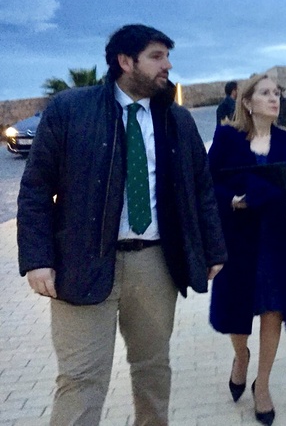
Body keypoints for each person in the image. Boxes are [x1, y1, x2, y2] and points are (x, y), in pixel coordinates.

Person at [17, 24, 227, 426]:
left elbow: (201, 190)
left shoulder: (177, 122)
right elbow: (36, 190)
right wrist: (37, 258)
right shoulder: (70, 111)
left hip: (155, 265)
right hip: (81, 263)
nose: (167, 65)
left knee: (152, 370)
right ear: (125, 62)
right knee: (80, 379)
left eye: (167, 55)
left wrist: (214, 249)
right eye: (157, 56)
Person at [208, 74, 286, 426]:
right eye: (265, 93)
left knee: (273, 310)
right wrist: (230, 199)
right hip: (238, 240)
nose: (274, 98)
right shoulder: (226, 137)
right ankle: (241, 356)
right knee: (238, 311)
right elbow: (209, 183)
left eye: (277, 93)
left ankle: (262, 385)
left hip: (277, 240)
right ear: (247, 102)